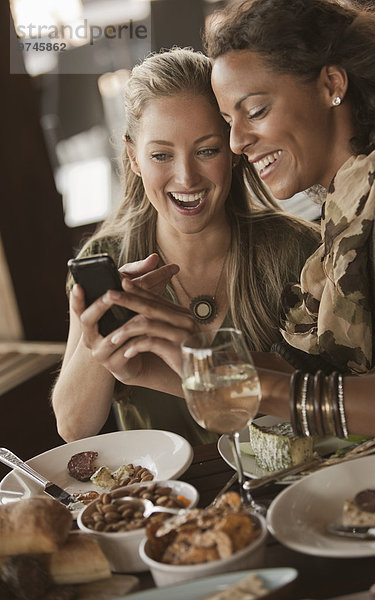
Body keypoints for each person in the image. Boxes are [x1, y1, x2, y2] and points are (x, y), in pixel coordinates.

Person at [52, 47, 319, 445]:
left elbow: (321, 401)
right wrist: (102, 340)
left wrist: (171, 361)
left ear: (233, 151)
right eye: (161, 155)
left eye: (207, 150)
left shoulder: (299, 250)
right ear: (134, 157)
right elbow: (73, 427)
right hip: (161, 501)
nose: (186, 176)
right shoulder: (103, 259)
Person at [200, 0, 375, 437]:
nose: (236, 142)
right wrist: (185, 351)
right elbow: (325, 380)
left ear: (331, 84)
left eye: (254, 111)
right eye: (227, 121)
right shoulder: (342, 210)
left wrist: (259, 390)